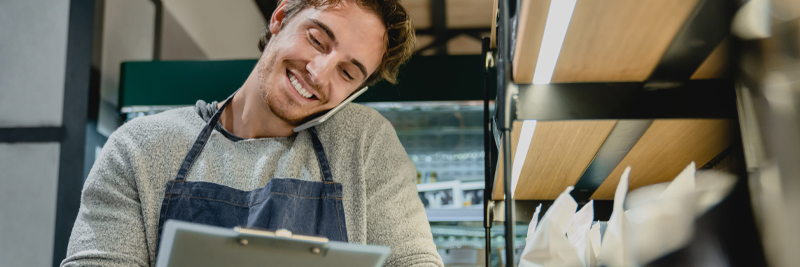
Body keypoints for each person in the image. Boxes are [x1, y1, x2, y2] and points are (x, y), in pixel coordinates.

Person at [61, 0, 444, 266]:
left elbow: (413, 261)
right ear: (279, 18)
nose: (318, 72)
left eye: (347, 72)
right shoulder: (140, 147)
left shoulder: (365, 144)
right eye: (316, 39)